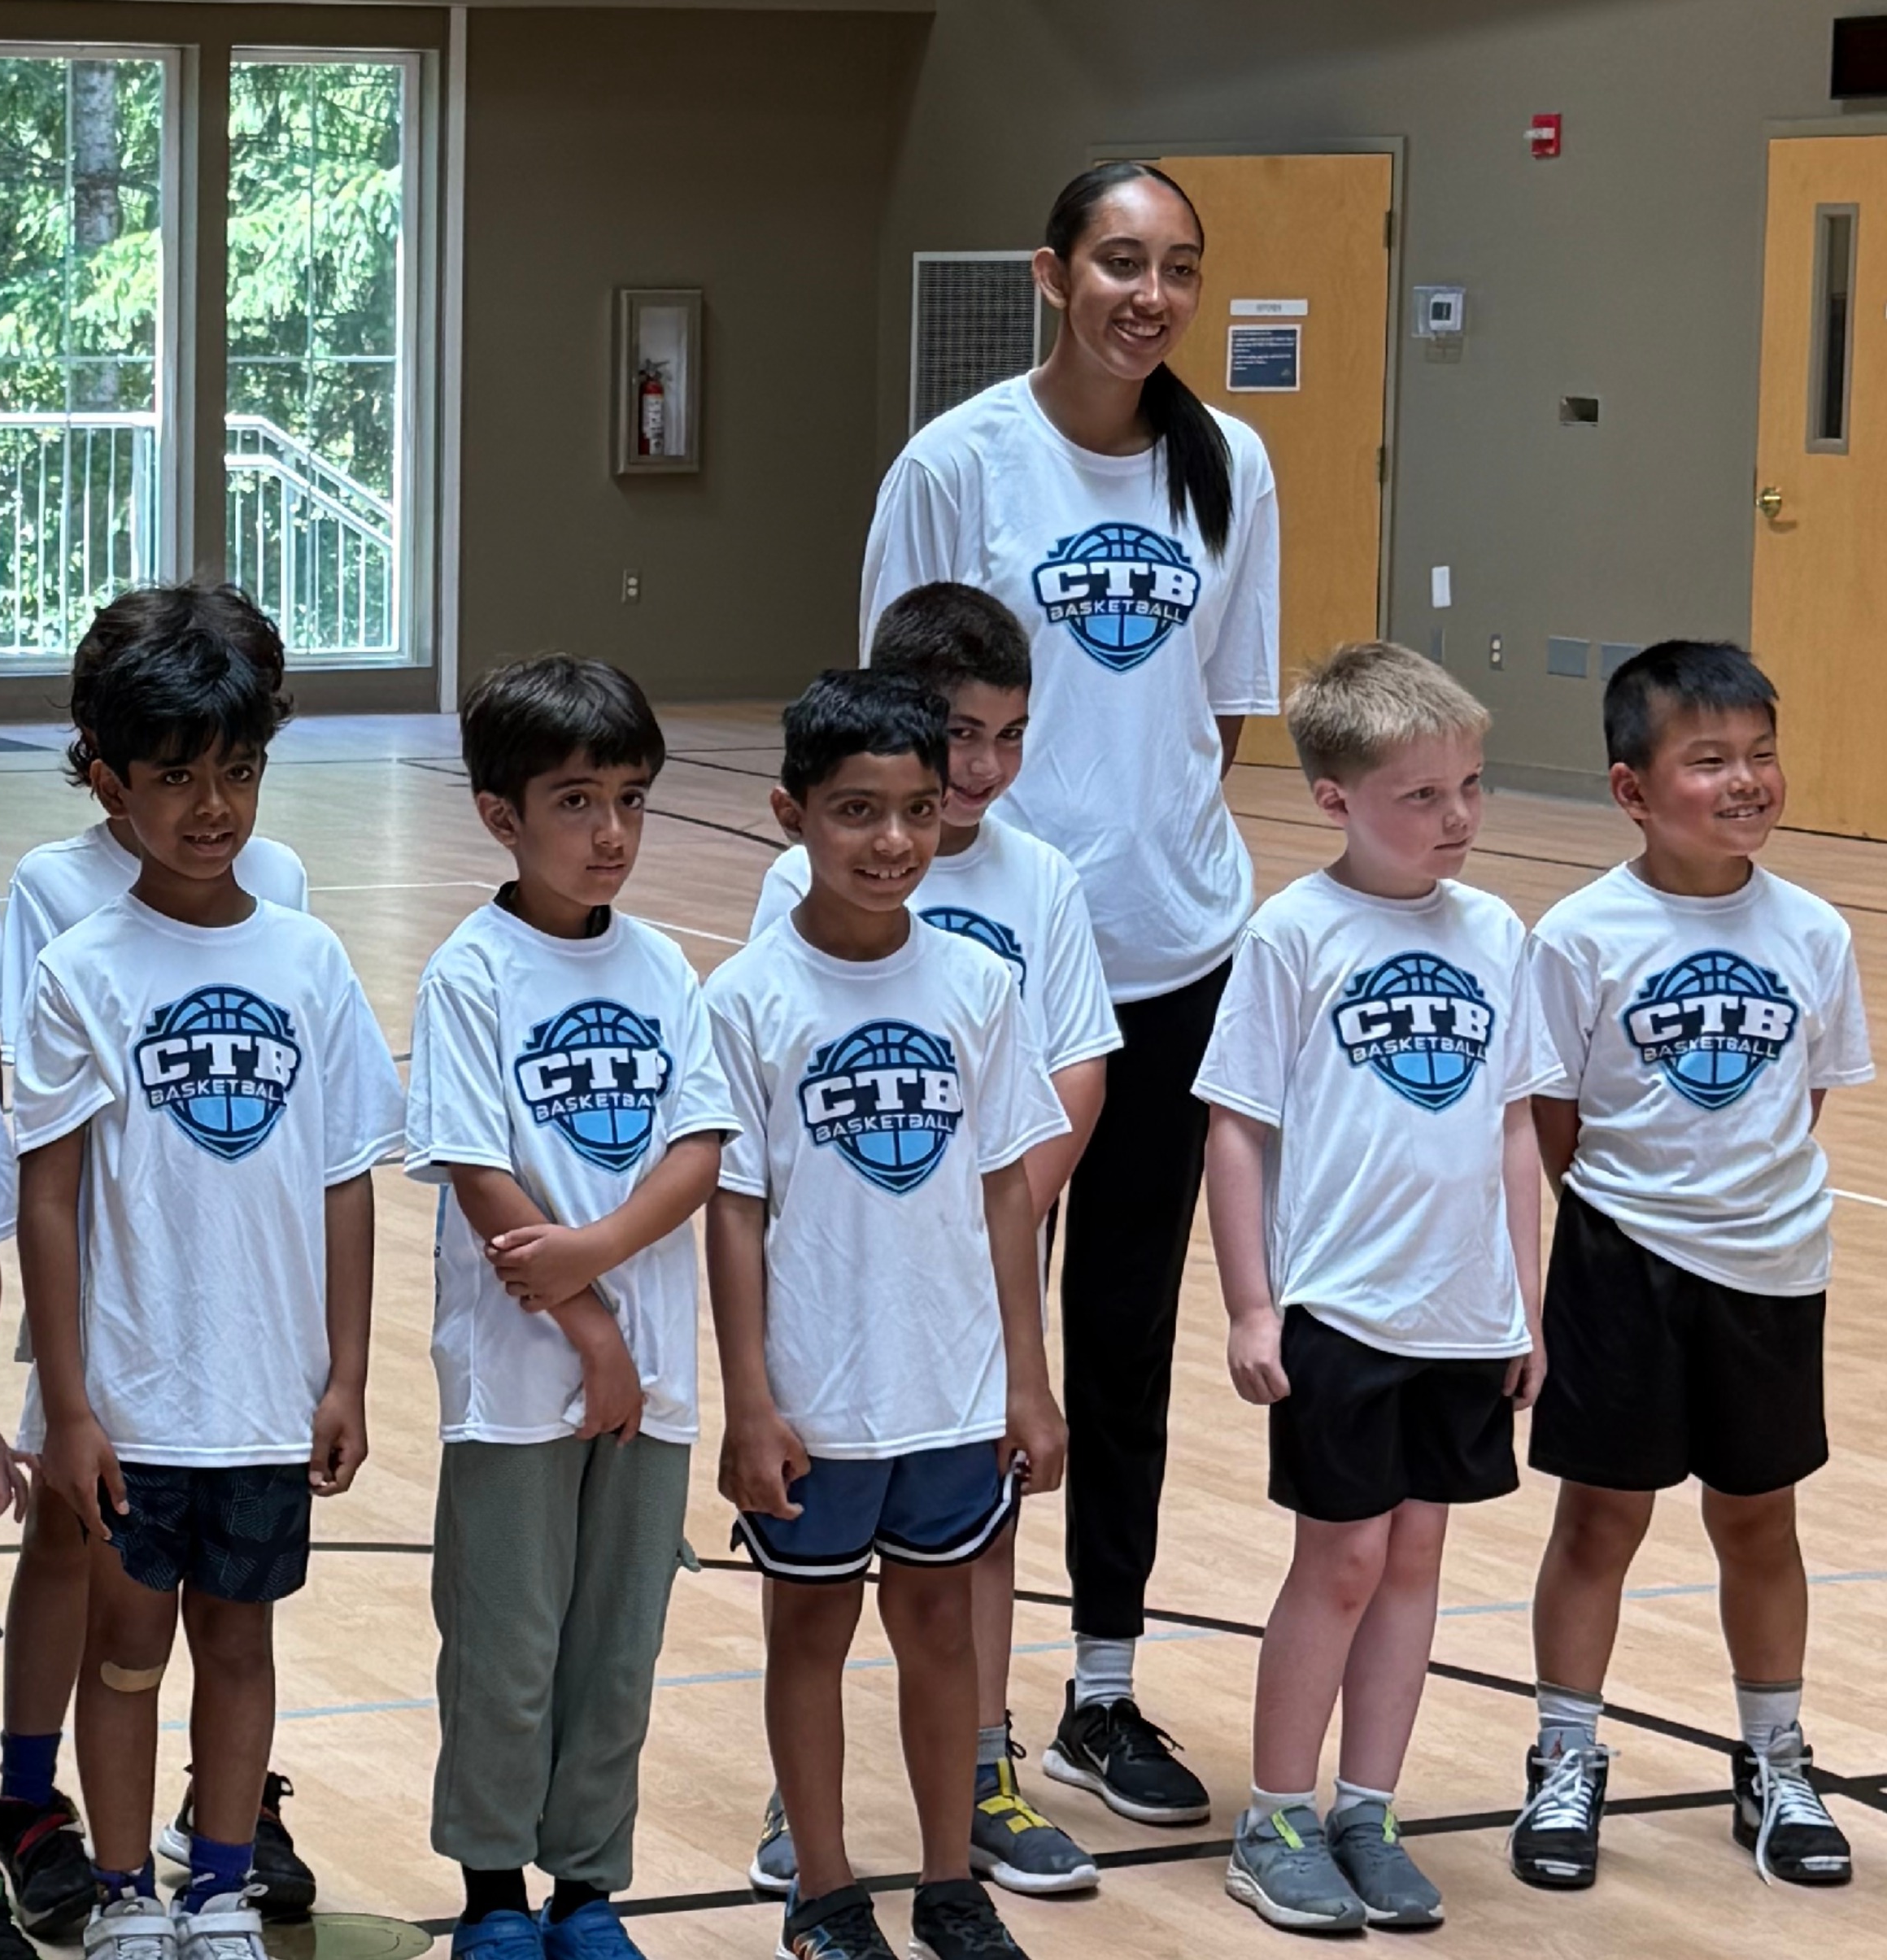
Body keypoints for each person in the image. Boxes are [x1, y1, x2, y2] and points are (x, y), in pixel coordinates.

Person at [862, 160, 1281, 1827]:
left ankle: (1103, 1685)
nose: (1150, 294)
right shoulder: (959, 461)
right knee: (977, 1338)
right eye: (1120, 260)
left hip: (1176, 957)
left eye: (1179, 267)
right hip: (990, 968)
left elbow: (1222, 712)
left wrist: (1144, 854)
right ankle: (963, 1719)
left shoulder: (1229, 462)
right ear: (1051, 272)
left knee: (1123, 1334)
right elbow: (891, 717)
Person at [17, 596, 404, 1960]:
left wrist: (345, 1370)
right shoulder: (76, 969)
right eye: (173, 776)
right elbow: (48, 1204)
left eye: (234, 771)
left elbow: (344, 1174)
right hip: (134, 1398)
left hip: (261, 1394)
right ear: (110, 785)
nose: (210, 803)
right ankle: (123, 1893)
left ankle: (221, 1883)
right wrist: (67, 1405)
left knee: (240, 1652)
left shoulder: (306, 959)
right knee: (123, 1656)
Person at [743, 584, 1119, 1900]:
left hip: (980, 1262)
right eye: (960, 735)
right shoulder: (792, 893)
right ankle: (809, 1812)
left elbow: (1073, 1064)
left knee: (978, 1534)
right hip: (839, 1278)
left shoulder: (1039, 882)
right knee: (821, 1571)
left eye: (1009, 738)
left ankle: (979, 1776)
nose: (980, 770)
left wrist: (988, 1190)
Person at [1193, 642, 1548, 1935]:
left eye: (1469, 786)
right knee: (1339, 1561)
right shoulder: (1294, 934)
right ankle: (1276, 1812)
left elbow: (1515, 1130)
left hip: (1464, 1312)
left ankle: (1368, 1805)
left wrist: (1527, 1303)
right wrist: (1250, 1301)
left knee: (1415, 1557)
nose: (1455, 816)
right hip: (1340, 1308)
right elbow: (1237, 1127)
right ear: (1335, 798)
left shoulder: (1498, 933)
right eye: (1421, 795)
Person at [1510, 642, 1867, 1890]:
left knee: (1759, 1518)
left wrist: (1733, 1207)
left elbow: (1806, 1097)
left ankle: (1774, 1757)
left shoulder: (1815, 932)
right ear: (1631, 787)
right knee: (1599, 1514)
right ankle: (1564, 1753)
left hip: (1772, 1265)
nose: (1747, 780)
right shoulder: (1579, 936)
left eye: (1761, 753)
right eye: (1709, 760)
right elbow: (1552, 1117)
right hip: (1619, 1260)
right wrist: (1638, 1212)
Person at [407, 656, 732, 1960]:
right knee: (507, 1642)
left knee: (616, 1648)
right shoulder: (471, 973)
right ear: (503, 815)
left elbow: (700, 1145)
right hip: (515, 1381)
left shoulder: (666, 969)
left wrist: (597, 1260)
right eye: (578, 801)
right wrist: (589, 1325)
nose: (612, 833)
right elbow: (476, 1163)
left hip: (648, 1382)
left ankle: (588, 1884)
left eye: (633, 801)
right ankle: (493, 1887)